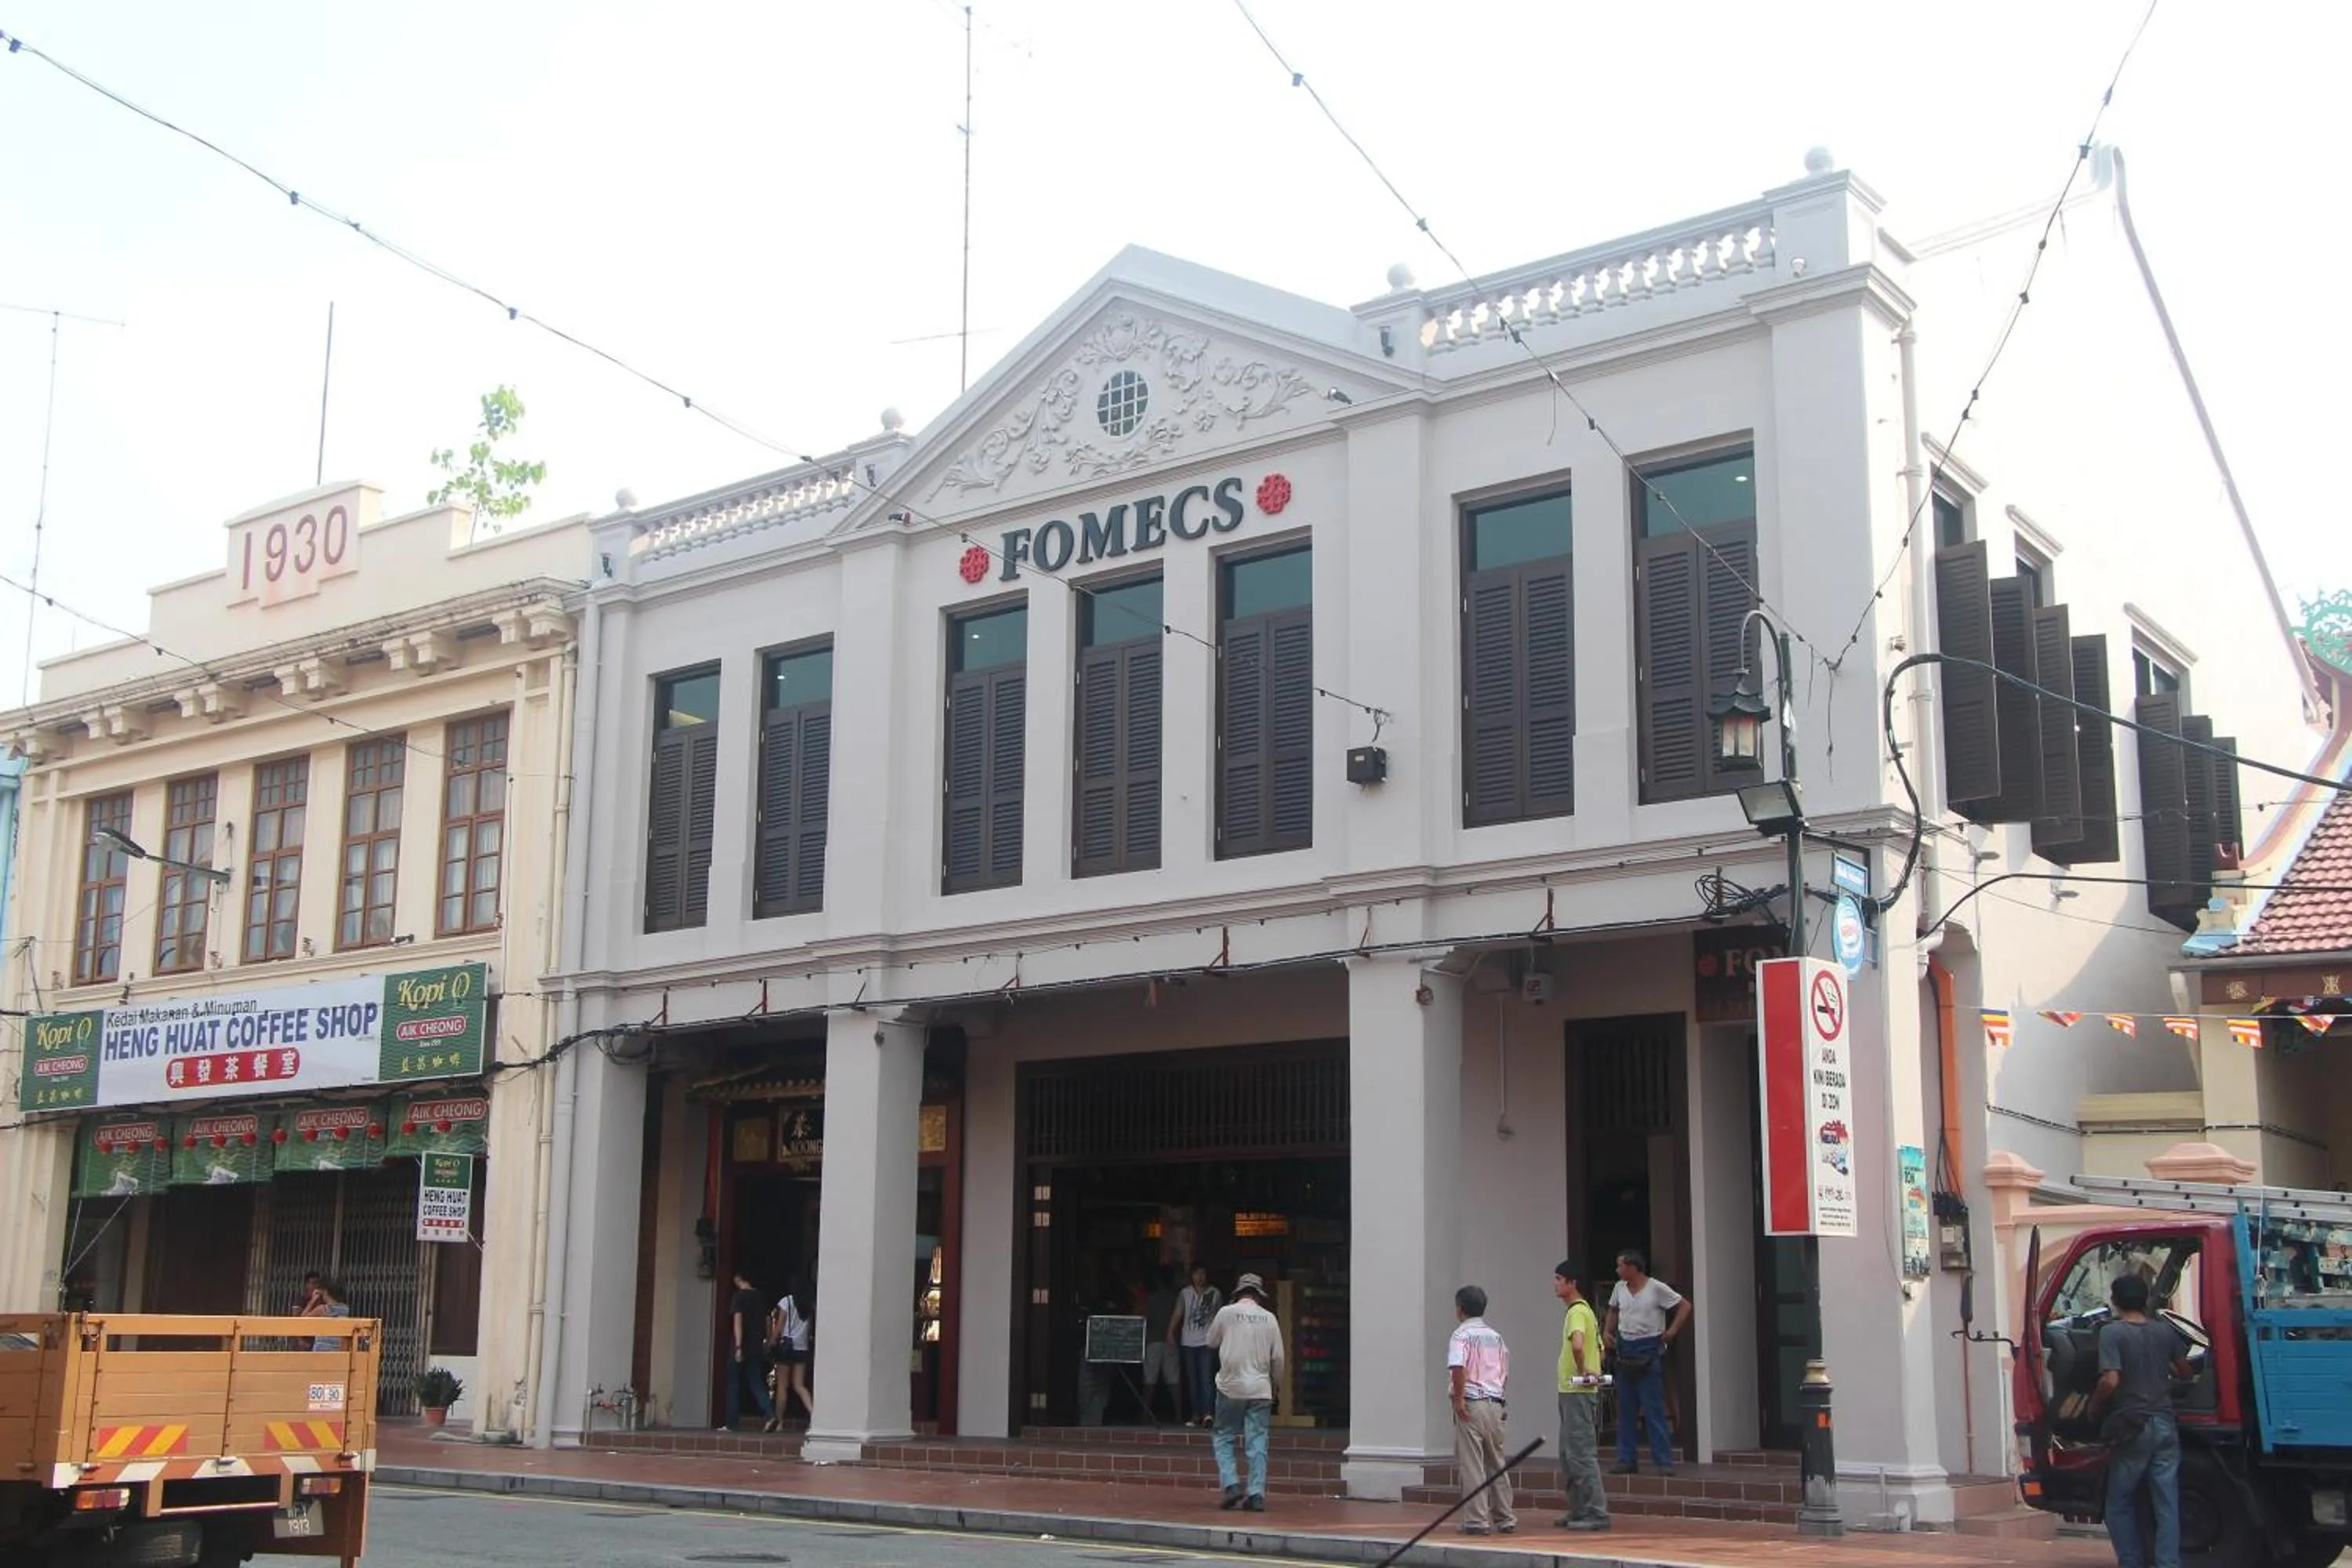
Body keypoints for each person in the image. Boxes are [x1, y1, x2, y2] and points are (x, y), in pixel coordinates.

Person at [2089, 1273, 2191, 1568]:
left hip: (2134, 1426)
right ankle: (2168, 1563)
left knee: (2119, 1502)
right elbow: (2184, 1370)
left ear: (2115, 1301)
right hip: (2165, 1425)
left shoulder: (2113, 1333)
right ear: (2146, 1300)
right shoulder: (2164, 1332)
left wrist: (2093, 1407)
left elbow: (2110, 1380)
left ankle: (2131, 1562)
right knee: (2167, 1503)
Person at [1603, 1249, 1689, 1475]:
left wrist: (1672, 1331)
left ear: (1633, 1267)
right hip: (1626, 1347)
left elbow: (1684, 1306)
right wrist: (1607, 1332)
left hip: (1649, 1347)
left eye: (1621, 1265)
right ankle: (1626, 1459)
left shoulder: (1656, 1288)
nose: (1618, 1269)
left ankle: (1663, 1461)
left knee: (1653, 1408)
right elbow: (1613, 1310)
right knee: (1626, 1408)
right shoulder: (1619, 1288)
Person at [1206, 1272, 1285, 1512]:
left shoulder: (1226, 1313)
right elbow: (1278, 1358)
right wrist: (1276, 1385)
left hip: (1231, 1385)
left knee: (1223, 1435)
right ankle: (1256, 1494)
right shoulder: (1270, 1319)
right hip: (1261, 1387)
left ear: (1238, 1294)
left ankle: (1231, 1485)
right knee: (1257, 1441)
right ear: (1258, 1296)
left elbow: (1210, 1341)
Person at [1446, 1285, 1517, 1537]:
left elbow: (1457, 1367)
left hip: (1472, 1403)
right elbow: (1504, 1372)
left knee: (1473, 1464)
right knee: (1496, 1462)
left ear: (1460, 1309)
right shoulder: (1496, 1337)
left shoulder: (1461, 1335)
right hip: (1496, 1403)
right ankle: (1505, 1516)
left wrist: (1459, 1399)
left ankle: (1476, 1519)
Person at [1552, 1261, 1610, 1532]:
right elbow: (1600, 1350)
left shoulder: (1577, 1311)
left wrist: (1583, 1369)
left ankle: (1596, 1512)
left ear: (1572, 1283)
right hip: (1572, 1391)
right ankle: (1578, 1509)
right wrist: (1592, 1366)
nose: (1556, 1284)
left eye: (1559, 1279)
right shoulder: (1587, 1312)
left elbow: (1578, 1344)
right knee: (1568, 1453)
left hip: (1577, 1390)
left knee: (1580, 1453)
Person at [720, 1269, 774, 1432]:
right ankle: (770, 1414)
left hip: (742, 1346)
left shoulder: (739, 1296)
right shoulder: (761, 1297)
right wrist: (768, 1341)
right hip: (757, 1346)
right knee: (756, 1381)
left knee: (733, 1384)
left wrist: (738, 1346)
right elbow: (768, 1321)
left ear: (738, 1279)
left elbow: (738, 1322)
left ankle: (732, 1423)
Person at [1174, 1263, 1222, 1428]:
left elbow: (1220, 1317)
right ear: (1192, 1276)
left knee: (1207, 1379)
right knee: (1193, 1380)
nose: (1200, 1277)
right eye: (1197, 1274)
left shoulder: (1215, 1293)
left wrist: (1221, 1337)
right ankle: (1196, 1414)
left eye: (1203, 1273)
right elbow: (1178, 1313)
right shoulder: (1185, 1294)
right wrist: (1170, 1331)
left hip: (1207, 1341)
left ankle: (1208, 1414)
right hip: (1188, 1341)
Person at [764, 1272, 815, 1432]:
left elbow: (780, 1325)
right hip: (802, 1347)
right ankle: (814, 1414)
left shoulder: (786, 1301)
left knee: (782, 1387)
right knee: (799, 1385)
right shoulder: (809, 1303)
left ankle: (779, 1422)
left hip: (786, 1348)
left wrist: (771, 1340)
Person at [1142, 1267, 1182, 1421]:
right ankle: (1179, 1414)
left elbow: (1147, 1320)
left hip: (1153, 1341)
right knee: (1174, 1380)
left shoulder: (1151, 1298)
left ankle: (1145, 1413)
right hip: (1172, 1341)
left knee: (1149, 1380)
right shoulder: (1175, 1298)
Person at [308, 1278, 351, 1352]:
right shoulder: (345, 1309)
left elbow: (302, 1320)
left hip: (321, 1349)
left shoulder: (322, 1309)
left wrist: (313, 1301)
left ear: (325, 1292)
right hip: (338, 1349)